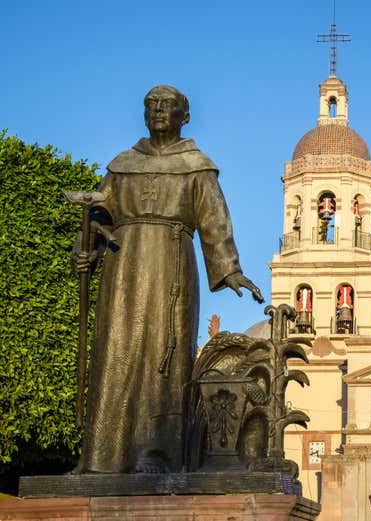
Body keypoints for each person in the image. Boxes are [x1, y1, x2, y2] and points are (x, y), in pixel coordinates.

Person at [73, 85, 263, 473]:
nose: (158, 110)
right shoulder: (122, 164)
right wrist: (84, 250)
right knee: (114, 353)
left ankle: (155, 456)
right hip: (121, 267)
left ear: (184, 116)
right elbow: (97, 215)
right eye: (151, 105)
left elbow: (214, 219)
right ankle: (100, 458)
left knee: (164, 358)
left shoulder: (196, 165)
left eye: (167, 105)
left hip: (170, 267)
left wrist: (230, 269)